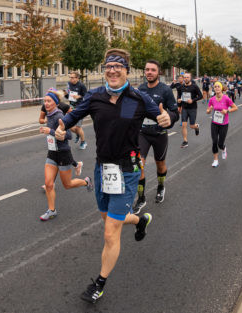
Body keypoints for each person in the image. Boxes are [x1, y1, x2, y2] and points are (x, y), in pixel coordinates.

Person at [54, 48, 171, 304]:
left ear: (127, 70)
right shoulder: (95, 96)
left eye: (118, 66)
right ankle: (139, 221)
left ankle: (100, 283)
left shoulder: (138, 98)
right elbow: (71, 117)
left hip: (128, 169)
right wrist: (62, 128)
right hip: (103, 168)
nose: (112, 70)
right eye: (108, 66)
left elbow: (165, 115)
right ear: (104, 70)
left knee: (110, 232)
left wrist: (166, 118)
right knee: (109, 218)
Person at [39, 89, 92, 221]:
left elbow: (68, 135)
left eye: (49, 101)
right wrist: (49, 130)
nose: (46, 103)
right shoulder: (49, 115)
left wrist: (49, 131)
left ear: (56, 103)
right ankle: (51, 210)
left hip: (63, 153)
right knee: (49, 184)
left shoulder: (59, 116)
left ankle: (86, 182)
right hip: (52, 153)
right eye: (45, 101)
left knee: (67, 185)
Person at [133, 60, 179, 213]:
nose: (149, 72)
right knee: (138, 166)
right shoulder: (140, 88)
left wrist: (169, 117)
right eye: (147, 70)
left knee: (160, 165)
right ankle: (141, 198)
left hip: (159, 134)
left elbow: (175, 112)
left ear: (158, 72)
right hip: (142, 133)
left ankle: (160, 186)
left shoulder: (165, 90)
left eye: (153, 70)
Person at [206, 82, 238, 167]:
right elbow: (208, 110)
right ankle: (215, 160)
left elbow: (235, 107)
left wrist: (227, 111)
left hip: (224, 124)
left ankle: (223, 149)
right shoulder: (212, 99)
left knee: (220, 143)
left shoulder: (226, 98)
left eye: (218, 87)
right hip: (214, 123)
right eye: (215, 87)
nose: (216, 88)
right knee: (214, 142)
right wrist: (209, 110)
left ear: (221, 88)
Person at [178, 73, 203, 148]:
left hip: (192, 108)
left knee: (192, 126)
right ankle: (185, 141)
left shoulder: (194, 86)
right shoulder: (181, 87)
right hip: (184, 108)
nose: (186, 78)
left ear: (190, 78)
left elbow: (200, 96)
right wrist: (179, 104)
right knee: (183, 125)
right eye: (184, 77)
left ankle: (196, 127)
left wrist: (192, 100)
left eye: (187, 77)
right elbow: (179, 96)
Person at [64, 71, 88, 150]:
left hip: (80, 108)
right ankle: (78, 134)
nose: (71, 79)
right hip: (71, 107)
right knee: (69, 126)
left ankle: (83, 142)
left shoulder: (81, 86)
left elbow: (87, 97)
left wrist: (79, 97)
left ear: (77, 78)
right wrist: (65, 94)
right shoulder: (69, 84)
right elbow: (68, 97)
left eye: (73, 77)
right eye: (70, 77)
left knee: (78, 127)